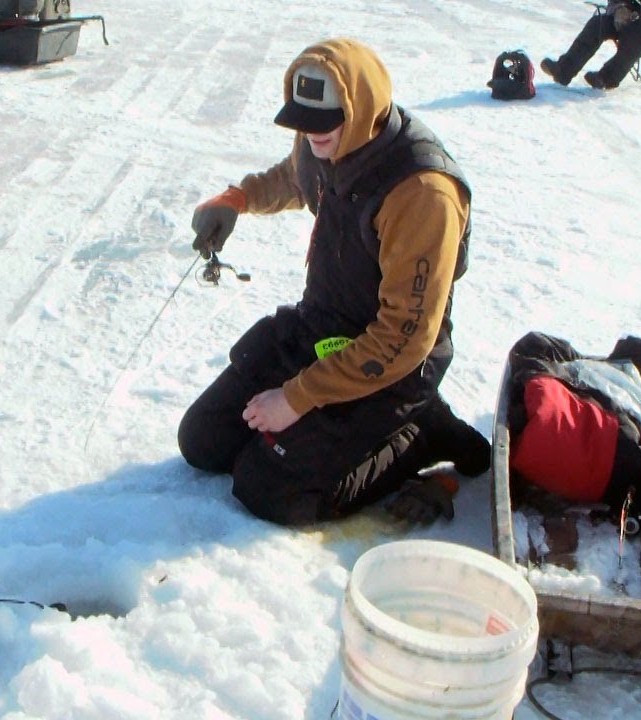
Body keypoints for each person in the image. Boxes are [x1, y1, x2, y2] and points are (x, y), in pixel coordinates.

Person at [177, 37, 490, 527]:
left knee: (270, 489)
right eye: (302, 123)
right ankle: (331, 433)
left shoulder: (423, 193)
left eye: (323, 125)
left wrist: (297, 398)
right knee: (204, 441)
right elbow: (295, 176)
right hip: (323, 328)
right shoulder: (326, 137)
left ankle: (422, 430)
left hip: (394, 364)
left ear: (360, 109)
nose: (310, 135)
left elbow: (404, 337)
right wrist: (236, 199)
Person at [539, 0, 641, 90]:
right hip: (635, 22)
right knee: (600, 23)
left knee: (640, 31)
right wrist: (619, 9)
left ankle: (607, 78)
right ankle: (563, 70)